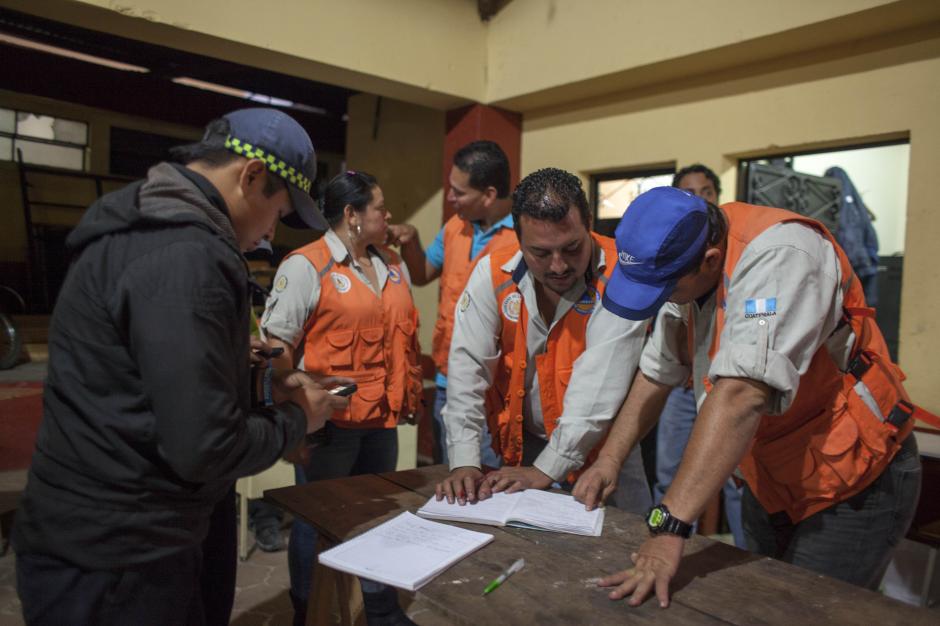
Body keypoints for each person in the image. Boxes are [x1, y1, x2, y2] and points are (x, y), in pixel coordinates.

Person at [13, 108, 349, 625]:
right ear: (251, 176)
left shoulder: (143, 223)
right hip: (121, 554)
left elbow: (137, 370)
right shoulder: (186, 256)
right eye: (277, 215)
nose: (266, 236)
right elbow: (205, 447)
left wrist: (247, 371)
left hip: (101, 534)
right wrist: (300, 416)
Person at [573, 186, 930, 608]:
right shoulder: (685, 260)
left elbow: (742, 395)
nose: (663, 300)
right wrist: (610, 458)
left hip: (853, 479)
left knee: (806, 611)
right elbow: (657, 372)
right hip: (771, 475)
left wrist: (668, 526)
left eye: (666, 289)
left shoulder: (784, 256)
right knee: (756, 605)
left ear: (708, 261)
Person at [434, 168, 650, 513]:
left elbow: (599, 385)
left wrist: (546, 470)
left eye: (572, 248)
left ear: (589, 223)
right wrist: (464, 460)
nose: (559, 266)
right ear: (518, 240)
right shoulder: (492, 271)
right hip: (523, 447)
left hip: (605, 453)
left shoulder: (622, 275)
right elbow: (466, 370)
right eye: (541, 253)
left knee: (622, 549)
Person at [261, 171, 423, 626]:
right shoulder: (306, 265)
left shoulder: (391, 262)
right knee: (319, 521)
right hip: (328, 426)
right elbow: (278, 348)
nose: (388, 215)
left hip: (381, 420)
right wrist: (292, 417)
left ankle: (379, 610)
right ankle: (310, 612)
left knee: (377, 515)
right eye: (379, 207)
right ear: (351, 215)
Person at [387, 140, 516, 467]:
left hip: (495, 388)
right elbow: (422, 273)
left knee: (486, 481)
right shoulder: (454, 228)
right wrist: (411, 240)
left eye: (459, 192)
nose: (450, 198)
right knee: (452, 475)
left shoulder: (524, 238)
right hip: (447, 380)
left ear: (488, 195)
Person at [652, 164, 744, 547]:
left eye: (706, 192)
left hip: (731, 391)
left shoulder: (735, 258)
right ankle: (664, 540)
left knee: (740, 481)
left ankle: (744, 551)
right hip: (684, 388)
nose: (699, 200)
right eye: (689, 193)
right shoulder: (671, 262)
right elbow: (663, 349)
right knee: (669, 471)